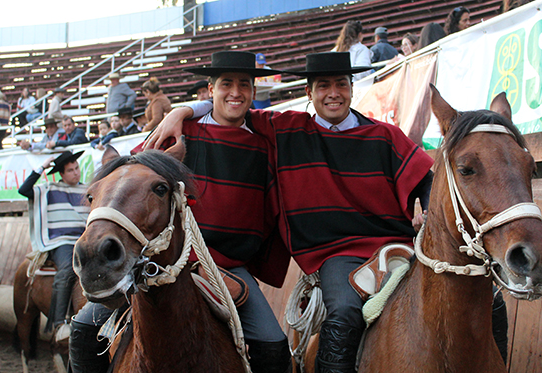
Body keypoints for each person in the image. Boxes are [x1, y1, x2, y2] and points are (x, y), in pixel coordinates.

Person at [147, 51, 434, 373]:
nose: (333, 93)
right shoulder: (287, 128)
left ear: (352, 88)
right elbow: (230, 110)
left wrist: (430, 213)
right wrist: (179, 112)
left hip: (400, 245)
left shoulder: (386, 135)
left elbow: (426, 180)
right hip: (339, 255)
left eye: (341, 84)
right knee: (343, 310)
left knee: (481, 297)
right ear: (309, 94)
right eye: (323, 86)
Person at [69, 51, 292, 373]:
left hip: (228, 266)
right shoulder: (180, 131)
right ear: (210, 90)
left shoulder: (264, 138)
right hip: (165, 258)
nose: (235, 92)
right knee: (83, 329)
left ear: (253, 93)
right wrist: (183, 113)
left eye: (244, 85)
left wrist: (185, 109)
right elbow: (134, 179)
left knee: (273, 344)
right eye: (225, 84)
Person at [18, 150, 88, 343]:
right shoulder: (48, 189)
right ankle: (59, 323)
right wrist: (41, 168)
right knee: (67, 269)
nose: (76, 173)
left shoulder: (88, 190)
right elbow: (23, 190)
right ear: (61, 174)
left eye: (77, 168)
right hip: (61, 241)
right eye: (70, 170)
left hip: (85, 240)